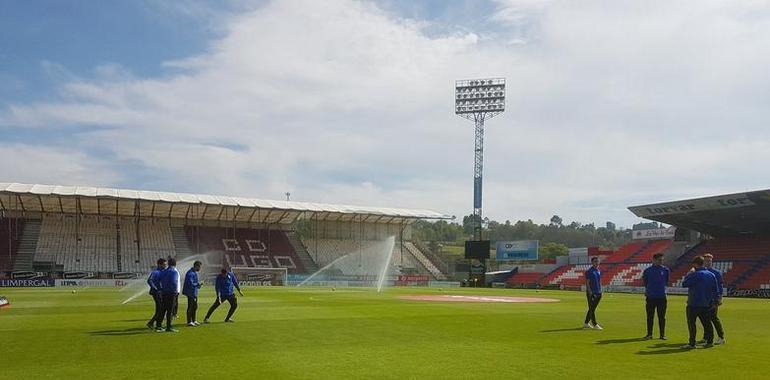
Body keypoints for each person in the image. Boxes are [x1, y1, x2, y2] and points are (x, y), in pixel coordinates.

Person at [681, 256, 719, 349]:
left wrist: (689, 274)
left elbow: (684, 284)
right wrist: (715, 301)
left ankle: (692, 343)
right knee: (707, 323)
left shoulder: (695, 274)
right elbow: (715, 290)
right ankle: (710, 341)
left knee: (692, 324)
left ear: (695, 264)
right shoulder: (711, 275)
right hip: (706, 304)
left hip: (693, 303)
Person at [642, 253, 670, 340]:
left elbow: (666, 281)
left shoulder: (665, 270)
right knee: (650, 316)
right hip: (651, 297)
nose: (661, 262)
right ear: (653, 260)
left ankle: (662, 335)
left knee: (662, 317)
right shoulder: (647, 271)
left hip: (661, 297)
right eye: (659, 260)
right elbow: (645, 282)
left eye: (662, 260)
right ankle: (649, 334)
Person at [702, 253, 726, 345]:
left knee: (713, 317)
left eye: (709, 261)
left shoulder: (716, 273)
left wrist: (720, 298)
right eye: (706, 261)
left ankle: (721, 337)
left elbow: (720, 286)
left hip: (713, 299)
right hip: (704, 299)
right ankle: (706, 337)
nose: (708, 263)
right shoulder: (701, 272)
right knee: (705, 318)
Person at [158, 257, 181, 333]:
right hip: (171, 293)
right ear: (175, 264)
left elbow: (160, 281)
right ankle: (169, 326)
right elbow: (174, 282)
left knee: (163, 309)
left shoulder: (164, 271)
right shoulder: (174, 272)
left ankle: (159, 325)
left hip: (164, 292)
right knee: (170, 310)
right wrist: (175, 291)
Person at [145, 258, 167, 330]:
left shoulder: (162, 271)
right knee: (160, 309)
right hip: (157, 293)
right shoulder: (156, 272)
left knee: (160, 309)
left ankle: (153, 323)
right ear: (159, 264)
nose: (165, 266)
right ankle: (154, 324)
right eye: (164, 264)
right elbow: (149, 280)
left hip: (160, 292)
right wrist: (155, 288)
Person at [583, 257, 603, 330]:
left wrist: (600, 290)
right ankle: (595, 324)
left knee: (592, 308)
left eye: (598, 261)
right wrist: (590, 292)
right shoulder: (589, 271)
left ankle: (586, 323)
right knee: (592, 309)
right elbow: (587, 282)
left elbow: (599, 281)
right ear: (592, 262)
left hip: (598, 292)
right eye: (595, 261)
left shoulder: (598, 271)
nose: (597, 263)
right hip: (592, 293)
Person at [182, 261, 203, 327]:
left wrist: (198, 285)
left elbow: (194, 283)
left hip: (194, 292)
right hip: (190, 293)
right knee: (190, 307)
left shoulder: (193, 272)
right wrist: (198, 284)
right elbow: (190, 283)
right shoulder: (190, 273)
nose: (200, 268)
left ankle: (194, 320)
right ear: (196, 266)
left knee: (194, 307)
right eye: (199, 267)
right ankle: (189, 321)